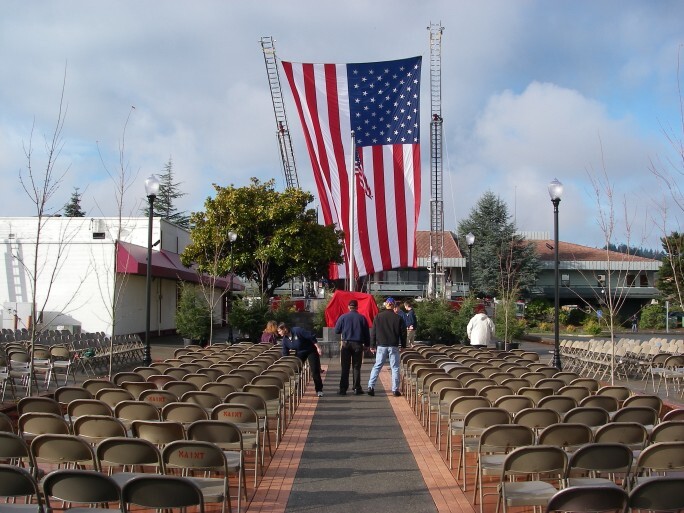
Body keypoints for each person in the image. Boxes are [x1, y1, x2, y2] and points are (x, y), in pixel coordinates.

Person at [367, 297, 406, 397]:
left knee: (377, 366)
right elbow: (403, 333)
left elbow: (373, 333)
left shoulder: (378, 317)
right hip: (393, 345)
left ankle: (371, 386)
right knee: (395, 367)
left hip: (381, 345)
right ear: (393, 306)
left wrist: (372, 345)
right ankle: (395, 389)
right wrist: (403, 345)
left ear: (386, 305)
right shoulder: (398, 318)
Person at [334, 299, 370, 395]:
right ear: (357, 307)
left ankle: (343, 389)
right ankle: (357, 388)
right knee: (356, 367)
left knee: (345, 367)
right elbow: (367, 333)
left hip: (346, 344)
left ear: (348, 307)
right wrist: (367, 345)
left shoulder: (343, 317)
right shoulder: (362, 318)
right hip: (358, 344)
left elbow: (337, 331)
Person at [278, 322, 324, 397]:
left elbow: (311, 336)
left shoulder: (297, 331)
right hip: (300, 352)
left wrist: (318, 347)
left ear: (285, 329)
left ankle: (319, 390)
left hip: (310, 350)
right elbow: (285, 353)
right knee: (296, 370)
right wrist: (287, 364)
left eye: (279, 331)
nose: (279, 333)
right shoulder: (285, 340)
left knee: (315, 370)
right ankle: (296, 388)